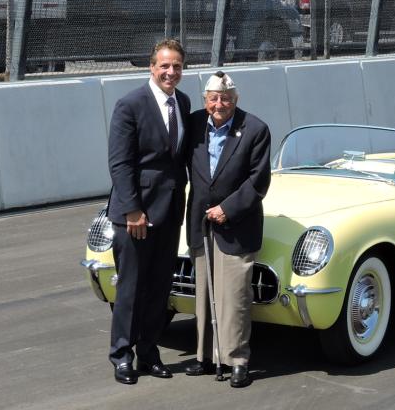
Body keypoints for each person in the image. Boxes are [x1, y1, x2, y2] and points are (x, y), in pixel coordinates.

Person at [105, 39, 190, 385]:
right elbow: (120, 164)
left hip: (170, 211)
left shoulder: (182, 103)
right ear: (151, 67)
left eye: (177, 67)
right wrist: (132, 211)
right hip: (136, 215)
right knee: (131, 288)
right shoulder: (130, 105)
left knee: (159, 287)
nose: (171, 72)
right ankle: (122, 355)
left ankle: (148, 351)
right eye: (165, 66)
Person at [184, 72, 272, 389]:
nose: (218, 104)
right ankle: (205, 357)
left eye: (225, 99)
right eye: (213, 98)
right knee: (204, 293)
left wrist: (227, 209)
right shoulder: (193, 124)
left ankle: (236, 360)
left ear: (235, 100)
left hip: (237, 224)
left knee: (233, 297)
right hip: (200, 221)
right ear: (205, 99)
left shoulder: (255, 129)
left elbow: (258, 181)